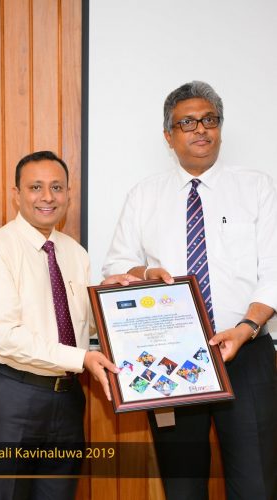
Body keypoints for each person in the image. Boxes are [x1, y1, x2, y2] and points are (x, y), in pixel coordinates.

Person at [102, 81, 277, 499]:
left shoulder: (256, 187)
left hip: (247, 351)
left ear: (220, 128)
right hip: (171, 359)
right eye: (187, 122)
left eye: (209, 119)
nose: (201, 129)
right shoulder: (144, 195)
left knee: (256, 486)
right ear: (169, 136)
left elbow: (273, 269)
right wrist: (144, 273)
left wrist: (246, 328)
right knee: (182, 487)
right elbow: (114, 267)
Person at [0, 151, 135, 499]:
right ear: (16, 194)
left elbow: (83, 326)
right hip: (10, 398)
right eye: (36, 187)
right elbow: (7, 337)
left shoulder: (75, 253)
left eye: (57, 187)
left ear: (69, 194)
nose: (47, 197)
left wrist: (114, 299)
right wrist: (82, 359)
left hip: (67, 400)